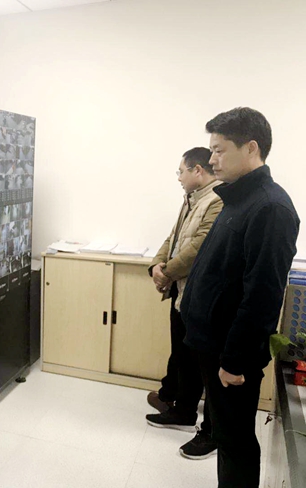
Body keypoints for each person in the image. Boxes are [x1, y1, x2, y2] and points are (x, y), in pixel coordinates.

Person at [181, 107, 300, 487]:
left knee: (235, 441)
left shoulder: (270, 207)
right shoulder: (238, 199)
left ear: (251, 148)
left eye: (219, 150)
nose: (212, 159)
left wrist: (234, 361)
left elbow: (263, 295)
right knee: (225, 434)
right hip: (212, 343)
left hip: (230, 354)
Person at [145, 147, 223, 460]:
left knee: (205, 366)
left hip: (199, 294)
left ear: (197, 170)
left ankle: (211, 432)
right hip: (180, 291)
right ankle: (183, 411)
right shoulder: (192, 198)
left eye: (181, 171)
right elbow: (174, 238)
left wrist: (167, 273)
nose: (178, 177)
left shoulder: (217, 200)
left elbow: (198, 248)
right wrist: (156, 265)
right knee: (183, 356)